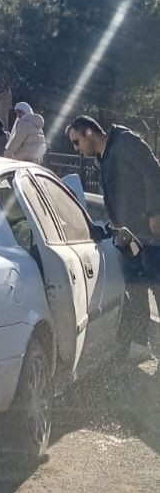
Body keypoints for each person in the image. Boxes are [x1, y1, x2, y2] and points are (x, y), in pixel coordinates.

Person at [67, 115, 160, 359]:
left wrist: (155, 212)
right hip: (129, 237)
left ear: (89, 132)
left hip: (150, 234)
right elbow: (121, 198)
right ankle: (141, 347)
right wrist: (110, 228)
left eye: (77, 142)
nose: (77, 150)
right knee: (136, 291)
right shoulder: (103, 158)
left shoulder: (125, 142)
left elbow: (153, 173)